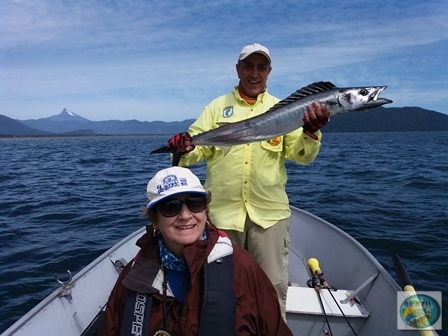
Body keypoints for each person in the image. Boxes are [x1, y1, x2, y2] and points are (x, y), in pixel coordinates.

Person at [163, 43, 330, 319]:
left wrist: (310, 133)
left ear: (269, 71)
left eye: (261, 67)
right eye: (248, 66)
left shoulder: (284, 108)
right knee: (220, 288)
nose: (255, 73)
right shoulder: (217, 107)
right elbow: (197, 150)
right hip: (222, 217)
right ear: (238, 69)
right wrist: (184, 147)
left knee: (272, 288)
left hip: (270, 217)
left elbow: (300, 155)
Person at [98, 166, 292, 336]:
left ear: (205, 211)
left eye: (195, 203)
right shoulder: (135, 275)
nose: (185, 215)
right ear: (155, 220)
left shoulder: (242, 268)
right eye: (170, 207)